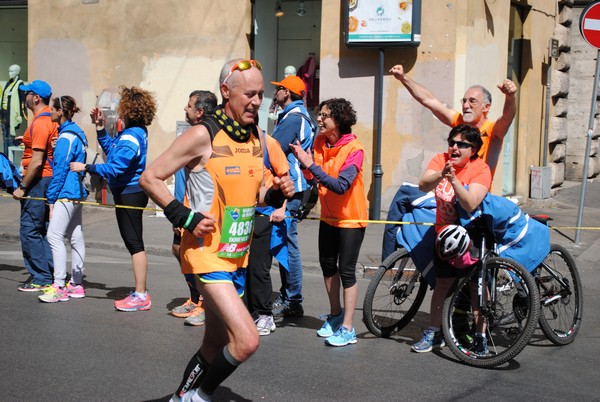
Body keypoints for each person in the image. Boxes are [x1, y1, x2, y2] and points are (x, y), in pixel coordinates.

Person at [139, 58, 294, 401]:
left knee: (215, 343)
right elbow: (150, 178)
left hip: (235, 255)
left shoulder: (256, 137)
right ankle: (201, 395)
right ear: (226, 91)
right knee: (247, 340)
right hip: (206, 255)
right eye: (250, 94)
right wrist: (185, 216)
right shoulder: (202, 134)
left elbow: (254, 196)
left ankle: (182, 395)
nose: (257, 101)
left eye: (261, 94)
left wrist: (277, 192)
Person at [71, 85, 157, 312]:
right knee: (134, 243)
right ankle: (140, 293)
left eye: (121, 106)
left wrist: (87, 167)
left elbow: (116, 167)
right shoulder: (135, 132)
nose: (118, 110)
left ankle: (141, 295)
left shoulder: (131, 136)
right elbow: (113, 150)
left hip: (130, 193)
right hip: (130, 192)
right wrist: (100, 128)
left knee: (135, 245)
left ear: (129, 109)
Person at [290, 98, 367, 347]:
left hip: (350, 218)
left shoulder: (355, 149)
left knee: (346, 271)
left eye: (324, 115)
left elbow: (340, 186)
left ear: (339, 120)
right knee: (327, 266)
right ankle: (335, 316)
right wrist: (305, 165)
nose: (319, 119)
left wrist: (310, 163)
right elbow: (315, 177)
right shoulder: (320, 142)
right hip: (329, 216)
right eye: (319, 114)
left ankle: (348, 327)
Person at [412, 124, 491, 354]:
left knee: (477, 288)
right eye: (452, 142)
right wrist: (442, 174)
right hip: (445, 236)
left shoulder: (481, 168)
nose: (454, 148)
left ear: (473, 149)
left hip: (473, 237)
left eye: (462, 144)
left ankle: (480, 336)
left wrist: (455, 180)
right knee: (442, 284)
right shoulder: (441, 160)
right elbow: (423, 184)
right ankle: (434, 333)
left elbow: (471, 203)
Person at [389, 64, 516, 176]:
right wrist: (403, 78)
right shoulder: (459, 121)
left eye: (472, 101)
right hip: (452, 193)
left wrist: (510, 98)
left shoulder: (492, 130)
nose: (466, 106)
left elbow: (507, 118)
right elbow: (429, 101)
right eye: (464, 101)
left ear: (486, 107)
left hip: (476, 196)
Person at [270, 75, 316, 318]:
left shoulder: (293, 119)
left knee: (288, 244)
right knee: (283, 242)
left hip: (292, 190)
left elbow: (272, 150)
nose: (276, 93)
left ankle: (293, 298)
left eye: (279, 89)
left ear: (287, 93)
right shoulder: (294, 116)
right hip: (293, 188)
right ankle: (289, 295)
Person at [170, 90, 218, 326]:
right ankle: (195, 297)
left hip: (199, 213)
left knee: (201, 259)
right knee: (179, 251)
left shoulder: (206, 137)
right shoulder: (190, 135)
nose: (185, 110)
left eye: (188, 106)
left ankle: (207, 305)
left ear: (199, 111)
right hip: (183, 207)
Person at [39, 96, 88, 303]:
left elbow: (59, 171)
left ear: (60, 112)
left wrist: (51, 199)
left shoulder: (66, 137)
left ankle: (59, 285)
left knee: (53, 236)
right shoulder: (75, 133)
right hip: (75, 192)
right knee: (76, 237)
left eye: (53, 109)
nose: (50, 111)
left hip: (66, 193)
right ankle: (76, 284)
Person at [13, 80, 57, 292]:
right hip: (46, 179)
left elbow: (38, 161)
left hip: (38, 181)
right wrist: (28, 141)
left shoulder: (40, 122)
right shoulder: (50, 118)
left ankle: (41, 277)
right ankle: (49, 272)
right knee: (43, 229)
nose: (25, 96)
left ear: (36, 98)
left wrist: (22, 186)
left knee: (30, 229)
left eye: (27, 93)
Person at [245, 129, 289, 336]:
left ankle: (265, 315)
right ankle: (246, 312)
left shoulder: (269, 143)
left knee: (258, 267)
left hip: (265, 214)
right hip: (239, 213)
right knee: (239, 267)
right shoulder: (234, 141)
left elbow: (285, 178)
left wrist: (282, 208)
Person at [1, 64, 25, 156]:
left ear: (17, 72)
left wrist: (21, 115)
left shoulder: (20, 84)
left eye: (12, 71)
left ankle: (10, 162)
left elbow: (22, 100)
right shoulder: (8, 83)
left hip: (12, 116)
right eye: (9, 71)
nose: (10, 73)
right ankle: (5, 159)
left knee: (10, 139)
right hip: (4, 114)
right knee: (5, 139)